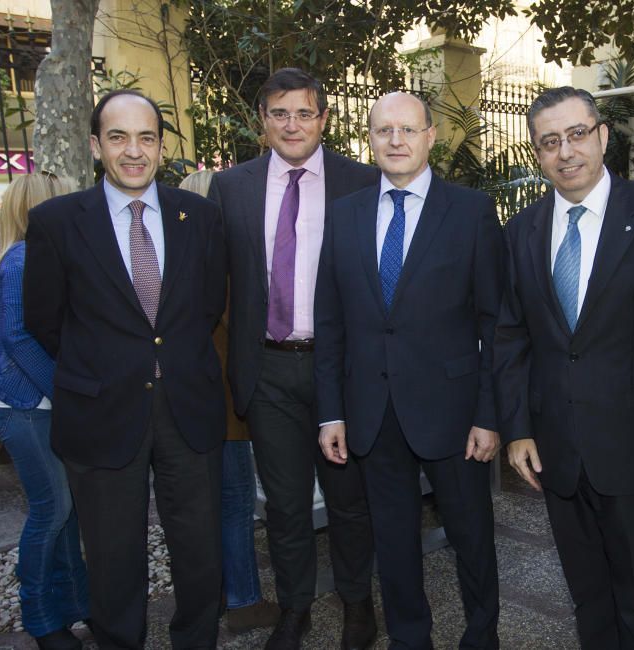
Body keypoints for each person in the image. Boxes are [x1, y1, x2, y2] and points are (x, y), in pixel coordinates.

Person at [23, 89, 228, 649]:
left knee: (199, 551)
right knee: (112, 558)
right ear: (96, 146)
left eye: (146, 138)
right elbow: (45, 320)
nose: (133, 151)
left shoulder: (201, 217)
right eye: (118, 137)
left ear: (161, 147)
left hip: (188, 406)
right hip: (101, 411)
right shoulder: (56, 223)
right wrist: (107, 365)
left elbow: (207, 307)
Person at [314, 91, 502, 649]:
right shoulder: (344, 215)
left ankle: (482, 634)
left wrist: (489, 414)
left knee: (471, 533)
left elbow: (496, 324)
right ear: (368, 139)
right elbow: (331, 322)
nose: (395, 140)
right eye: (383, 131)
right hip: (373, 411)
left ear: (431, 136)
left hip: (454, 411)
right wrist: (331, 413)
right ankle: (408, 638)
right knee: (393, 541)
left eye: (408, 130)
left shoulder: (471, 211)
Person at [494, 87, 634, 649]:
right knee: (589, 596)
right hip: (559, 452)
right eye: (550, 142)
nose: (565, 151)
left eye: (577, 134)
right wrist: (518, 427)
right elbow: (512, 335)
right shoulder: (521, 231)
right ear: (538, 155)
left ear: (602, 136)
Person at [207, 68, 379, 650]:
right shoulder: (231, 188)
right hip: (268, 369)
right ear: (263, 122)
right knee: (283, 505)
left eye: (305, 113)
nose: (292, 124)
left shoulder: (363, 181)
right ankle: (295, 608)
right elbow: (214, 284)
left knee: (349, 500)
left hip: (343, 368)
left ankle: (358, 605)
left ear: (324, 119)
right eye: (280, 113)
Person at [0, 172, 88, 650]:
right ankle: (42, 618)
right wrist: (66, 394)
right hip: (27, 408)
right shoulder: (22, 259)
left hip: (42, 406)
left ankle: (74, 607)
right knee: (52, 512)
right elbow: (18, 339)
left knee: (65, 513)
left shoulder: (38, 257)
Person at [179, 169, 281, 633]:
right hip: (226, 405)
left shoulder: (180, 259)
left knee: (208, 506)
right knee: (236, 503)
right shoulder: (219, 261)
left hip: (196, 405)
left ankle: (218, 596)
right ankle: (243, 599)